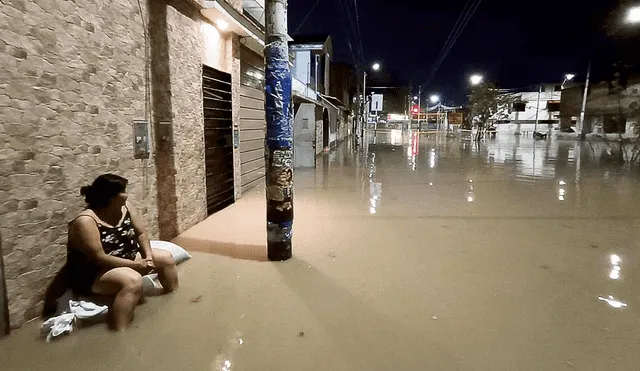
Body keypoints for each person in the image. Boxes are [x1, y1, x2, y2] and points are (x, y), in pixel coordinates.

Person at [65, 174, 179, 331]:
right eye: (123, 191)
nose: (127, 195)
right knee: (133, 280)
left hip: (128, 256)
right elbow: (99, 257)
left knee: (166, 259)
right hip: (97, 271)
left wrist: (149, 257)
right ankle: (120, 330)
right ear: (110, 196)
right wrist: (136, 265)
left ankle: (174, 299)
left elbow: (141, 233)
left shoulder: (126, 208)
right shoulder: (86, 221)